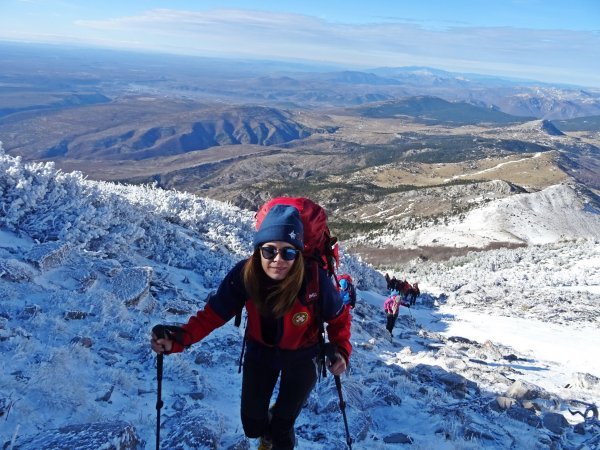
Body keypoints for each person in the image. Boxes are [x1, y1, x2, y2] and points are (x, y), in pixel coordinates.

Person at [151, 204, 351, 450]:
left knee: (281, 427)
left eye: (288, 253)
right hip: (261, 352)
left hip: (303, 355)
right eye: (269, 251)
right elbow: (213, 315)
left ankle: (278, 434)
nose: (278, 260)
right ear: (258, 250)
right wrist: (179, 340)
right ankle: (269, 429)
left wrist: (341, 349)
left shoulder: (313, 279)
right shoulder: (245, 275)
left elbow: (339, 317)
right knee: (252, 425)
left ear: (298, 254)